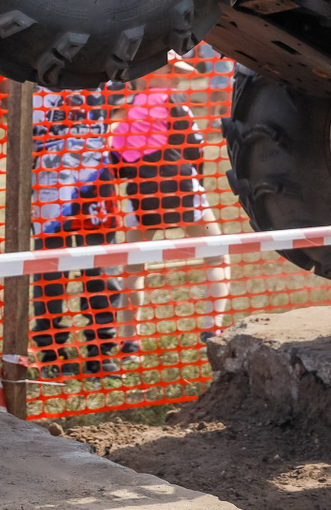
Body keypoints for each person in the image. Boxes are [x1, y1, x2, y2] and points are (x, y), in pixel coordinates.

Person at [102, 65, 231, 355]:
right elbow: (195, 147)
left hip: (140, 193)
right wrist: (196, 183)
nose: (176, 75)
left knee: (134, 267)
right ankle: (213, 328)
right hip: (180, 185)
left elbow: (117, 165)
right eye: (170, 68)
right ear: (152, 71)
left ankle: (129, 340)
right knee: (217, 255)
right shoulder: (172, 99)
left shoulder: (124, 113)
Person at [29, 87, 121, 373]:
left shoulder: (108, 69)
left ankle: (101, 350)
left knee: (100, 270)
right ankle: (51, 352)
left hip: (95, 182)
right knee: (49, 274)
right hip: (48, 187)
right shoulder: (29, 74)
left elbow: (123, 101)